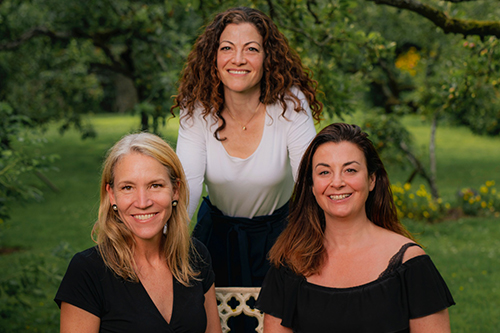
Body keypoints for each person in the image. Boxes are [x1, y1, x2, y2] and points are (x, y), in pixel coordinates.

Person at [171, 6, 323, 289]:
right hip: (215, 235)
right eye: (227, 47)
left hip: (281, 235)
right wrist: (162, 243)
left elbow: (309, 179)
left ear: (267, 57)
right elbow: (187, 187)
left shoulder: (291, 105)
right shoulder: (197, 110)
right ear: (213, 56)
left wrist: (324, 240)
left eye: (251, 49)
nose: (238, 59)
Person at [257, 123, 455, 333]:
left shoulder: (411, 265)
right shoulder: (289, 266)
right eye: (324, 172)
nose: (337, 182)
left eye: (350, 170)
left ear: (371, 179)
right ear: (312, 186)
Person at [54, 133, 221, 333]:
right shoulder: (87, 272)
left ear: (175, 190)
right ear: (112, 195)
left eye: (155, 185)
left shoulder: (195, 256)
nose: (142, 202)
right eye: (128, 187)